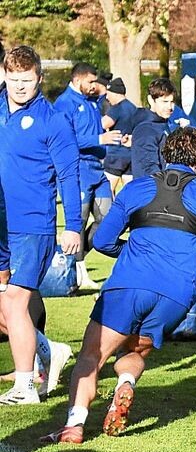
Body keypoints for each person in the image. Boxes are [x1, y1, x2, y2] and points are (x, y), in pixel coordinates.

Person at [41, 128, 196, 444]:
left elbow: (102, 240)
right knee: (136, 350)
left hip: (130, 284)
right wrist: (188, 271)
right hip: (177, 295)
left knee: (92, 356)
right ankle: (127, 383)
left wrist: (130, 252)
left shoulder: (138, 188)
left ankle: (74, 426)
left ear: (165, 156)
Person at [0, 46, 82, 405]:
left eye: (27, 81)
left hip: (32, 226)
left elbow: (69, 175)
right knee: (5, 304)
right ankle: (50, 350)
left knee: (16, 301)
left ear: (40, 79)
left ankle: (26, 386)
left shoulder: (53, 121)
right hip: (1, 224)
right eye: (14, 79)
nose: (19, 87)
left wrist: (74, 225)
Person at [53, 62, 124, 290]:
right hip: (79, 171)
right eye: (91, 81)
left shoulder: (91, 102)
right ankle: (77, 273)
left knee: (110, 219)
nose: (95, 86)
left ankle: (77, 257)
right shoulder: (65, 104)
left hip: (97, 170)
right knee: (78, 220)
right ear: (77, 80)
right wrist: (98, 140)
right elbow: (64, 141)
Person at [130, 78, 183, 178]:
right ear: (151, 100)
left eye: (172, 102)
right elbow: (148, 167)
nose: (170, 107)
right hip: (153, 189)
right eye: (164, 101)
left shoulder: (164, 124)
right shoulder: (146, 129)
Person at [101, 77, 140, 192]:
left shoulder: (116, 109)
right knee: (129, 190)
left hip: (116, 155)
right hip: (130, 155)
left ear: (115, 93)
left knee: (107, 190)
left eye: (108, 94)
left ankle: (110, 210)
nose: (107, 98)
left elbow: (103, 124)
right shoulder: (133, 107)